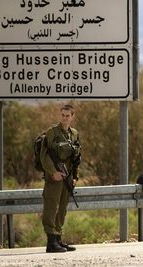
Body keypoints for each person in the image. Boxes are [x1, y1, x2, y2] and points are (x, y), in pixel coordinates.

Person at [40, 104, 81, 253]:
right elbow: (44, 155)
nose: (64, 118)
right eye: (62, 115)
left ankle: (58, 239)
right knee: (51, 207)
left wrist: (75, 176)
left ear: (72, 117)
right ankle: (51, 243)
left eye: (67, 116)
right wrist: (53, 172)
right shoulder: (52, 132)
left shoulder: (74, 134)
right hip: (55, 178)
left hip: (68, 177)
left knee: (62, 208)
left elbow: (77, 158)